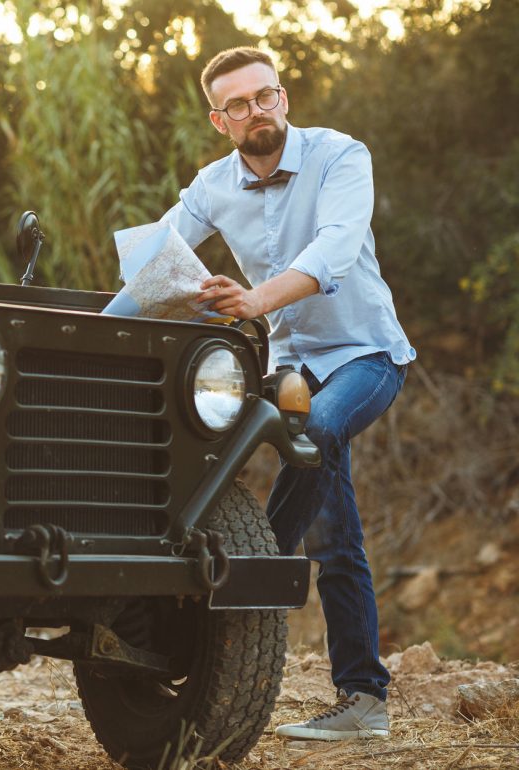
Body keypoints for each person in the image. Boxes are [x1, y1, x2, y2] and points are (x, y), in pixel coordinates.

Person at [161, 46, 416, 741]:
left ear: (284, 98)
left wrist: (253, 301)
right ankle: (364, 699)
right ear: (221, 120)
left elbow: (335, 247)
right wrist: (166, 302)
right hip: (288, 368)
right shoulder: (211, 185)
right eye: (238, 105)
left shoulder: (340, 156)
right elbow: (157, 259)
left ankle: (253, 573)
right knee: (336, 536)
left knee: (317, 433)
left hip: (365, 355)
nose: (256, 111)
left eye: (264, 96)